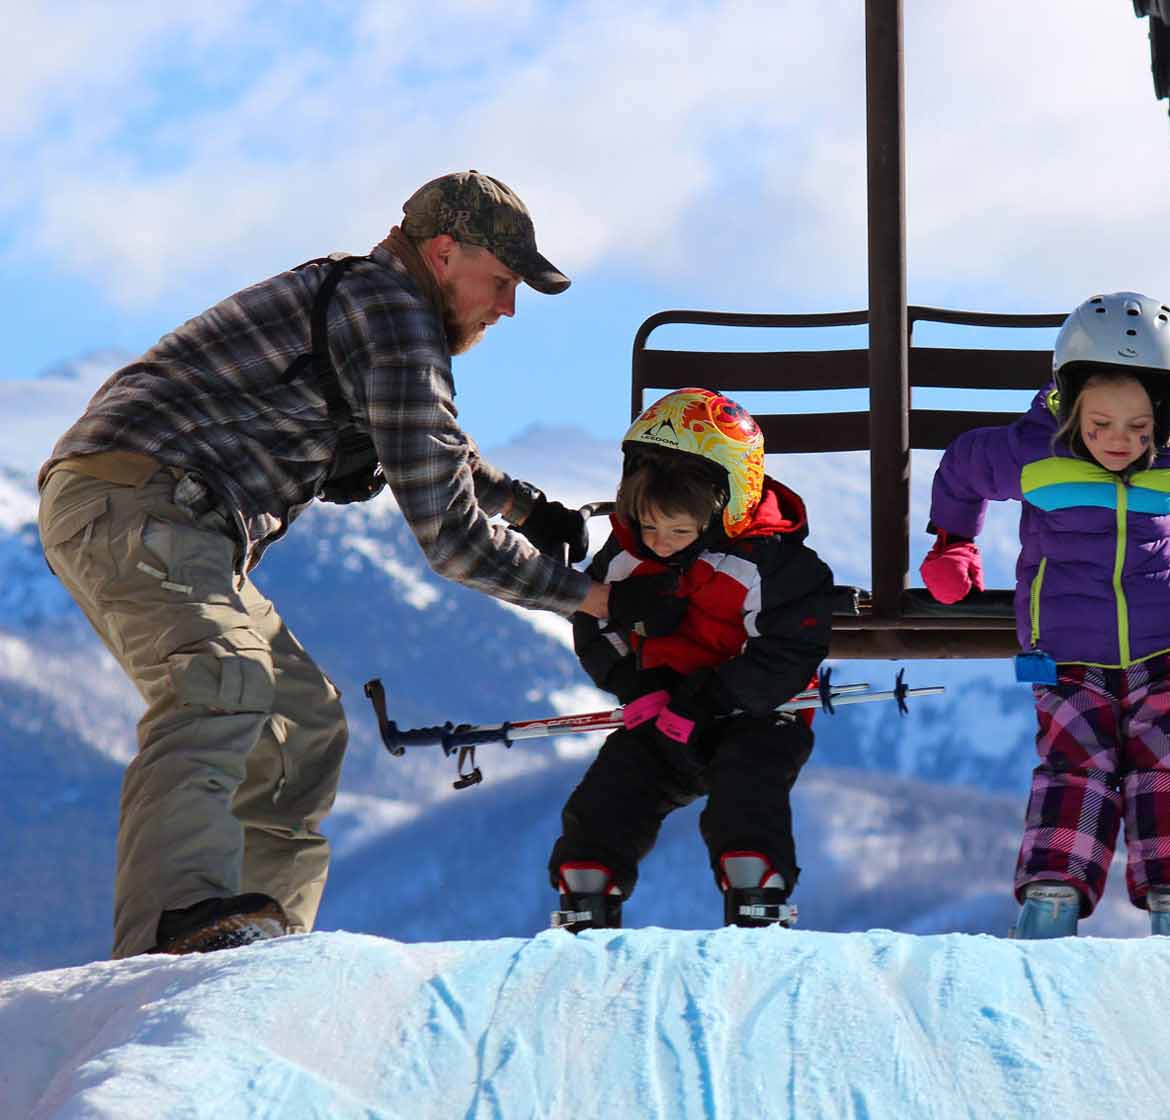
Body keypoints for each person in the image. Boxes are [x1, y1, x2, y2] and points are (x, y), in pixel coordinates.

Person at [36, 170, 613, 958]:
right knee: (222, 680)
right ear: (444, 253)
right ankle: (175, 931)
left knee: (301, 728)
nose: (507, 308)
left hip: (170, 515)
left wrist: (527, 508)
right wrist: (593, 599)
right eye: (503, 282)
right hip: (140, 496)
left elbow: (432, 445)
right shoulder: (395, 316)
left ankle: (258, 947)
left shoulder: (379, 305)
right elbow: (448, 534)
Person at [919, 291, 1170, 939]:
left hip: (1169, 646)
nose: (1117, 442)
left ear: (1166, 410)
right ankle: (1053, 897)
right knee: (1076, 767)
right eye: (1098, 424)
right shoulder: (1033, 450)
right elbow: (962, 470)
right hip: (1068, 650)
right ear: (1069, 402)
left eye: (1137, 427)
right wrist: (953, 543)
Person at [552, 387, 833, 930]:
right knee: (610, 795)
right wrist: (637, 685)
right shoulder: (627, 559)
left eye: (679, 530)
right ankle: (587, 893)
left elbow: (789, 648)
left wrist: (711, 698)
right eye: (650, 525)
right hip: (663, 714)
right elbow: (593, 624)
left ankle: (757, 895)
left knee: (746, 797)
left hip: (755, 714)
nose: (660, 543)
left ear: (725, 503)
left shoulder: (772, 566)